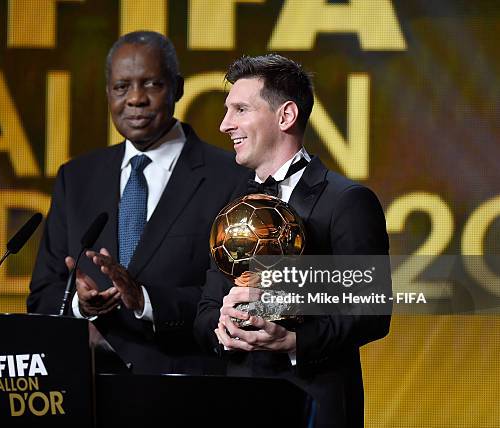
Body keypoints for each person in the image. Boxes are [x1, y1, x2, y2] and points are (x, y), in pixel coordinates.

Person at [27, 31, 247, 375]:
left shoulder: (230, 178)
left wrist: (145, 301)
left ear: (177, 88)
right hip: (88, 389)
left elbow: (237, 298)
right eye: (121, 87)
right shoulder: (76, 178)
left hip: (184, 388)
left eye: (151, 85)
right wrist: (78, 304)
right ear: (108, 94)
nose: (135, 99)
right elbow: (42, 295)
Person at [194, 54, 391, 427]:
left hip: (314, 402)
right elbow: (205, 310)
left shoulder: (346, 201)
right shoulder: (231, 208)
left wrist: (294, 342)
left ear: (285, 116)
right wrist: (220, 325)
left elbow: (372, 311)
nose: (224, 125)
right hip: (239, 402)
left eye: (240, 110)